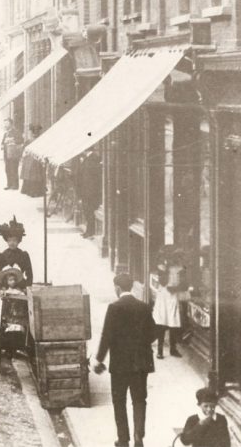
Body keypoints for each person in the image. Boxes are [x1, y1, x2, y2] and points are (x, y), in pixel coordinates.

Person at [91, 273, 157, 447]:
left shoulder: (114, 308)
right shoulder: (143, 307)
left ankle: (123, 439)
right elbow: (153, 332)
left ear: (117, 288)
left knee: (119, 401)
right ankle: (139, 436)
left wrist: (99, 359)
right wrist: (141, 344)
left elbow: (107, 336)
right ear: (131, 287)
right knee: (139, 399)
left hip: (120, 364)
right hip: (141, 363)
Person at [151, 248, 184, 359]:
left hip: (173, 295)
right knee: (162, 322)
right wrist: (165, 270)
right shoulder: (162, 268)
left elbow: (185, 282)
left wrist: (176, 288)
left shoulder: (180, 269)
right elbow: (162, 281)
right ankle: (160, 350)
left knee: (173, 322)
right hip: (163, 296)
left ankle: (173, 348)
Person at [0, 217, 33, 289]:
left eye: (14, 240)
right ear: (7, 241)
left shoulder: (24, 255)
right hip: (5, 288)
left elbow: (29, 275)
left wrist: (26, 288)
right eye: (9, 240)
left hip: (21, 287)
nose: (12, 243)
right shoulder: (2, 256)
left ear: (18, 241)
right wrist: (0, 289)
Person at [74, 150, 102, 238]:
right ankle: (89, 231)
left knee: (89, 211)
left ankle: (90, 231)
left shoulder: (92, 159)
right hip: (87, 191)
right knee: (87, 212)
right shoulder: (89, 159)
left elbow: (91, 178)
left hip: (89, 192)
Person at [19, 125, 45, 197]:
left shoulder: (30, 140)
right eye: (34, 132)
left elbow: (24, 149)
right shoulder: (37, 140)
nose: (35, 134)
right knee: (35, 176)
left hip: (32, 159)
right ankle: (35, 191)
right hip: (34, 159)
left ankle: (31, 191)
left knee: (32, 175)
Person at [1, 118, 24, 190]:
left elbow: (21, 140)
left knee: (14, 169)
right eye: (4, 124)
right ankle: (9, 184)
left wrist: (12, 140)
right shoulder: (5, 133)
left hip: (13, 154)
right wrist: (2, 145)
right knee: (7, 169)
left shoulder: (16, 132)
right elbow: (2, 142)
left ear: (11, 124)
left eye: (7, 123)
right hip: (6, 154)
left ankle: (15, 185)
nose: (5, 125)